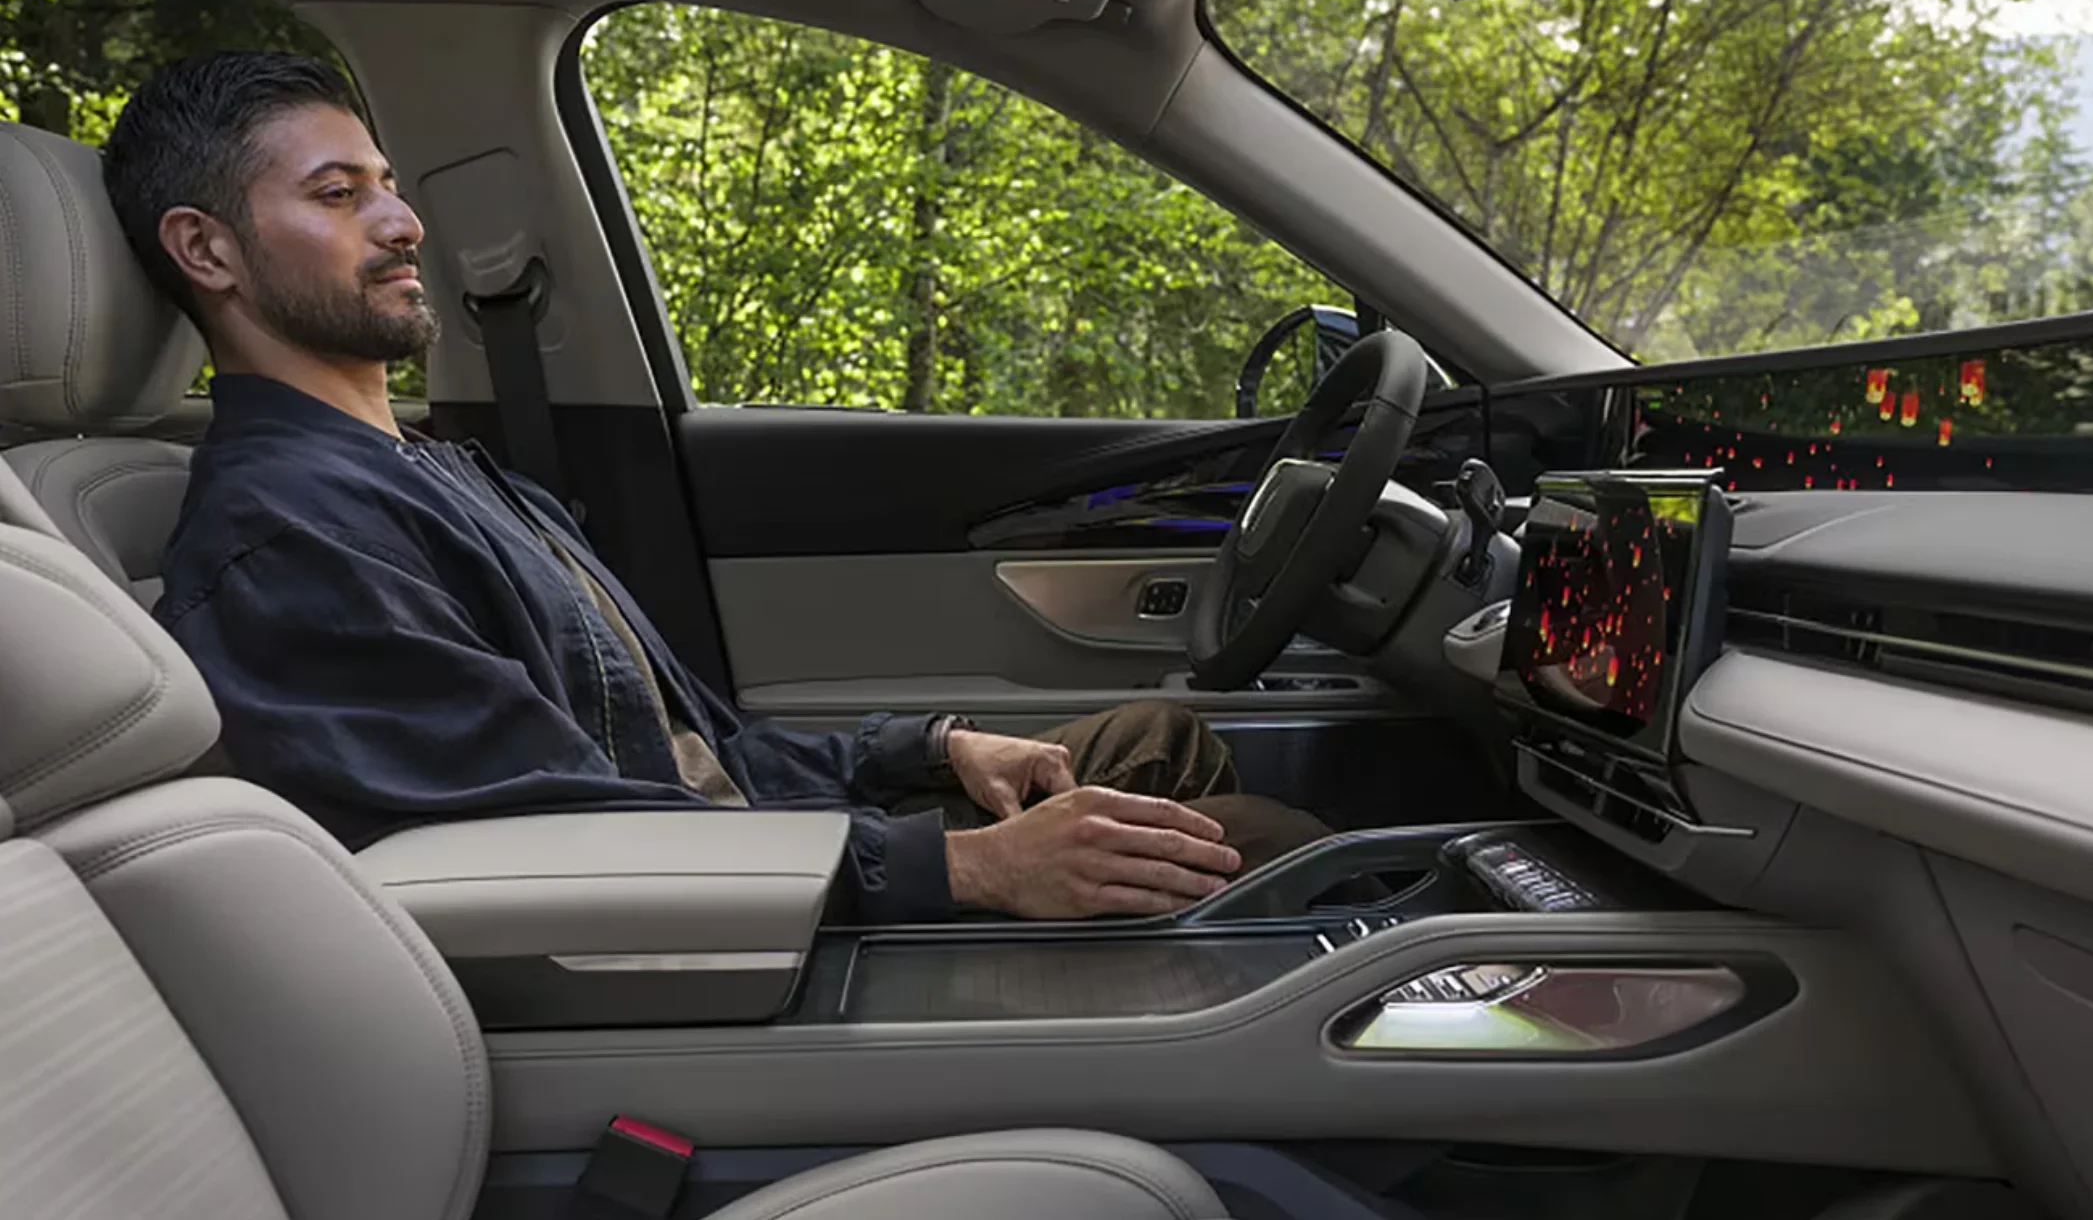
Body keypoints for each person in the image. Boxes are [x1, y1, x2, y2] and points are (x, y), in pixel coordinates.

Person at [105, 51, 1334, 925]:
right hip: (721, 943)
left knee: (1153, 743)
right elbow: (538, 852)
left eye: (385, 182)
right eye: (338, 195)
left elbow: (700, 753)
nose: (402, 221)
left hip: (737, 854)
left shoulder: (428, 470)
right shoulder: (292, 537)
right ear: (206, 249)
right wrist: (970, 871)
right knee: (1286, 863)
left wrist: (933, 747)